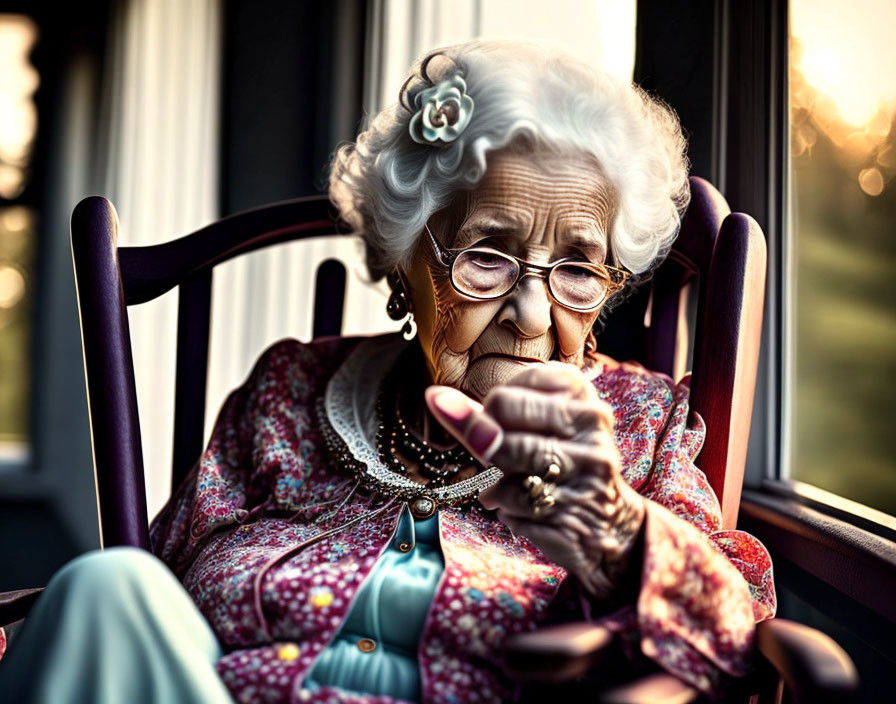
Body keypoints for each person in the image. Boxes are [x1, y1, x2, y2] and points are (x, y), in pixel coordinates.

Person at [0, 39, 775, 703]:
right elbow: (150, 601)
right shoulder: (290, 392)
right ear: (406, 264)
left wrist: (612, 533)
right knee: (102, 589)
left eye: (578, 268)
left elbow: (733, 638)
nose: (533, 314)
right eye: (486, 257)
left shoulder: (640, 425)